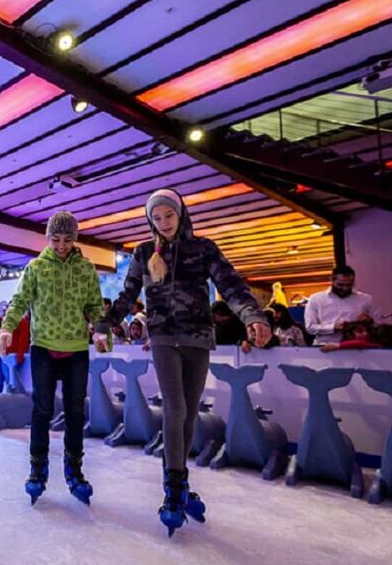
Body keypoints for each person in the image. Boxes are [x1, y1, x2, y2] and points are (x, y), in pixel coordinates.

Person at [97, 189, 270, 536]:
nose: (163, 224)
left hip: (197, 338)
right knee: (174, 410)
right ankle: (173, 488)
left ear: (181, 214)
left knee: (189, 413)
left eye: (168, 216)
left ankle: (181, 480)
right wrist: (103, 324)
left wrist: (254, 315)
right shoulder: (145, 252)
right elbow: (129, 295)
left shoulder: (203, 248)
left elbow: (230, 284)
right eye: (156, 218)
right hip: (162, 337)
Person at [0, 211, 102, 506]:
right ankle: (37, 469)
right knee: (42, 410)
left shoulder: (85, 268)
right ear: (48, 238)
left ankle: (75, 470)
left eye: (68, 239)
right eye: (55, 239)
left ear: (75, 239)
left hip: (76, 349)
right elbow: (20, 300)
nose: (61, 245)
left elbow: (95, 305)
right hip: (43, 346)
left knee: (75, 413)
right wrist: (6, 328)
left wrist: (100, 328)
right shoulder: (36, 267)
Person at [304, 266, 380, 345]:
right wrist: (333, 327)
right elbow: (310, 328)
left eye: (349, 285)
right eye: (340, 285)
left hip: (356, 347)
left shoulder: (366, 299)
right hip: (325, 347)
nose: (345, 288)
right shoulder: (316, 299)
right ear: (332, 280)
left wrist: (369, 321)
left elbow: (378, 325)